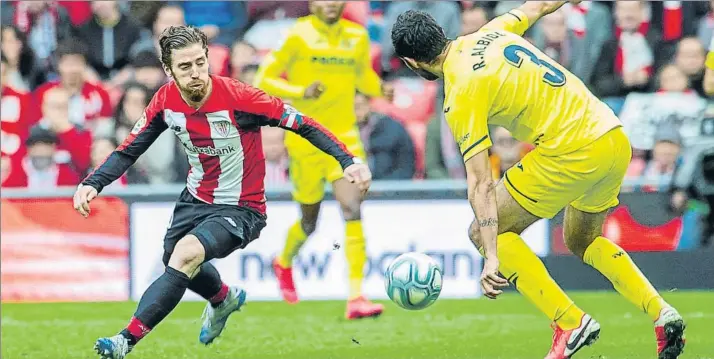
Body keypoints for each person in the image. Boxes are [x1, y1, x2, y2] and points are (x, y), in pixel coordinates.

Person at [390, 2, 686, 359]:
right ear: (440, 32)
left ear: (412, 62)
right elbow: (541, 5)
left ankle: (569, 321)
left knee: (486, 232)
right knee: (582, 238)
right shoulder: (493, 32)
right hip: (611, 135)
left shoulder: (460, 92)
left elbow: (481, 183)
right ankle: (660, 312)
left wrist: (491, 257)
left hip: (571, 150)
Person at [74, 25, 371, 359]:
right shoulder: (165, 101)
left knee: (185, 255)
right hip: (195, 199)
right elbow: (129, 150)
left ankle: (124, 341)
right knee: (174, 257)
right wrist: (92, 182)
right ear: (169, 71)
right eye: (185, 67)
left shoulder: (242, 98)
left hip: (242, 207)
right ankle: (223, 298)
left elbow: (302, 122)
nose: (197, 73)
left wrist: (347, 160)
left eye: (201, 63)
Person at [254, 0, 392, 319]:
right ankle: (284, 261)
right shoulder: (297, 34)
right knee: (309, 222)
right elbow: (264, 79)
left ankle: (356, 296)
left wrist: (380, 89)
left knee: (351, 206)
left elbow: (363, 78)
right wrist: (301, 90)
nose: (330, 3)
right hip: (304, 139)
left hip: (344, 136)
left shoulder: (357, 37)